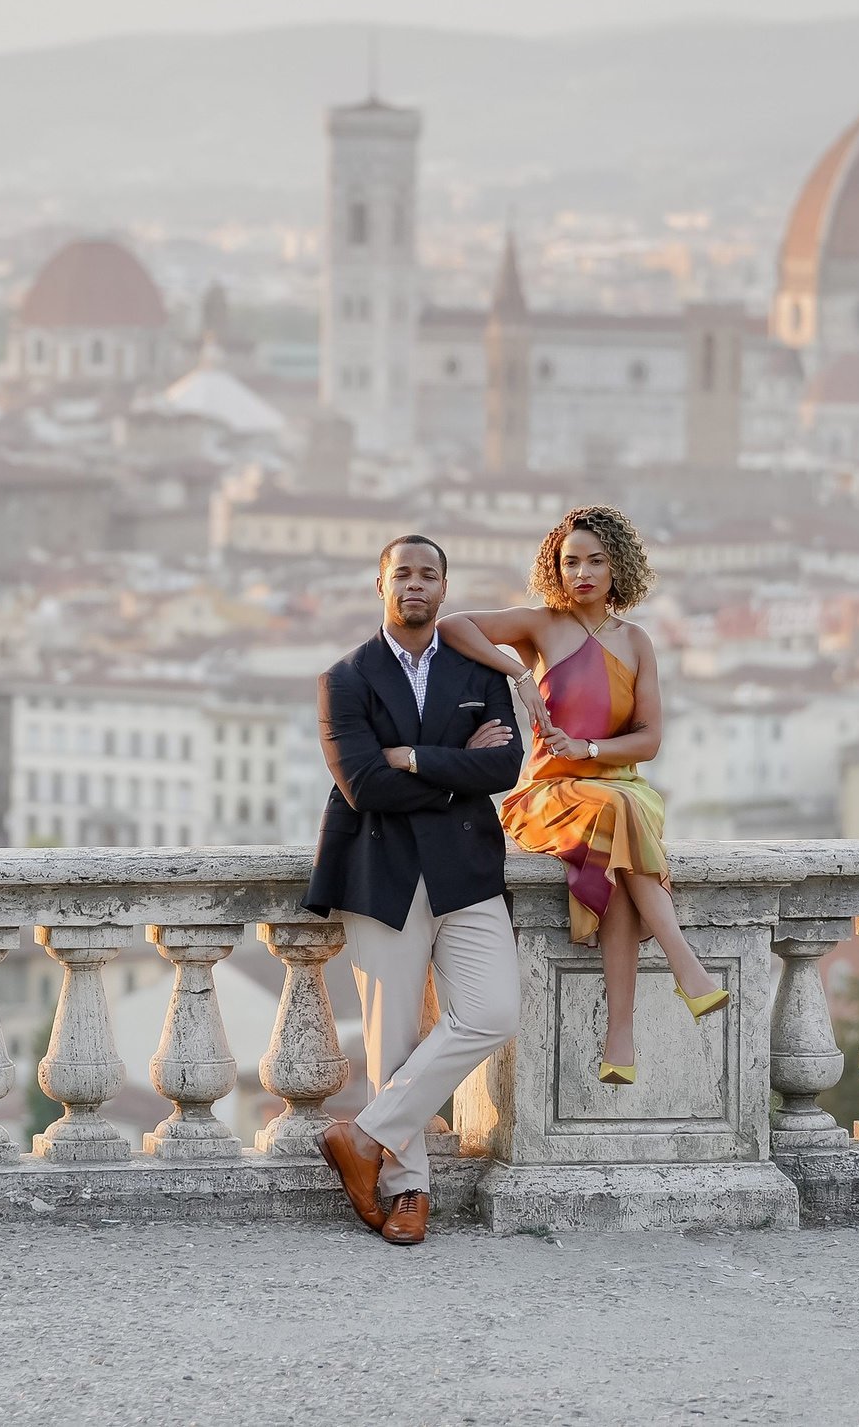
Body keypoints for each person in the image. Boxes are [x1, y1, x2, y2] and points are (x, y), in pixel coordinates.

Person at [436, 504, 727, 1089]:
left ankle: (620, 1037)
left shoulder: (638, 641)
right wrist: (518, 674)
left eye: (596, 560)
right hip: (545, 795)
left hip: (615, 786)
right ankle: (682, 961)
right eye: (570, 562)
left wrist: (589, 748)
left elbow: (649, 741)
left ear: (619, 565)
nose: (583, 572)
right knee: (618, 817)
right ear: (555, 568)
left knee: (619, 849)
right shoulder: (542, 625)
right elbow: (453, 626)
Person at [305, 533, 526, 1246]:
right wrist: (454, 766)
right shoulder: (345, 677)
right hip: (383, 875)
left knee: (494, 1009)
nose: (415, 585)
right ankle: (408, 1189)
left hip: (467, 873)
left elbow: (505, 770)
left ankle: (363, 1136)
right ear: (381, 586)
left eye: (429, 574)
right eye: (403, 573)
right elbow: (363, 784)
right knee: (390, 1041)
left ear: (444, 587)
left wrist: (413, 760)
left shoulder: (477, 669)